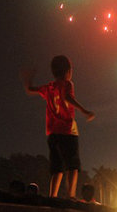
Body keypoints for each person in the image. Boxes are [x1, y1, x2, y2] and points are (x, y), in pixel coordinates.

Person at [22, 55, 95, 199]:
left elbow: (30, 89)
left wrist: (27, 79)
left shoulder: (49, 87)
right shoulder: (67, 84)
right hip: (68, 131)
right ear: (68, 71)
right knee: (72, 165)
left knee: (57, 168)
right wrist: (84, 111)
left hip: (52, 133)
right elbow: (67, 97)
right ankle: (71, 195)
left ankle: (52, 196)